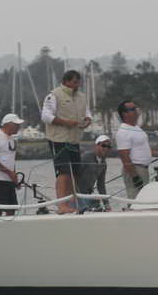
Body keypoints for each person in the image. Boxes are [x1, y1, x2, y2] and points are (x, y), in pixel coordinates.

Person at [41, 70, 93, 214]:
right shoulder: (54, 95)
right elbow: (45, 116)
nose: (78, 84)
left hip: (74, 139)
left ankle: (70, 203)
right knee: (63, 172)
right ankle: (61, 205)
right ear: (66, 81)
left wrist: (88, 119)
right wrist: (65, 122)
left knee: (74, 173)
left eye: (79, 81)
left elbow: (87, 112)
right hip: (58, 139)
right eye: (75, 82)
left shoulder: (82, 96)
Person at [115, 100, 153, 202]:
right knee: (135, 200)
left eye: (136, 108)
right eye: (133, 109)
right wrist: (134, 176)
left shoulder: (136, 128)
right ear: (124, 113)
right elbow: (124, 157)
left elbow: (143, 149)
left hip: (143, 169)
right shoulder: (123, 131)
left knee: (144, 200)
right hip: (134, 170)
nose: (136, 111)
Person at [74, 134, 111, 211]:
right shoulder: (86, 157)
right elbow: (74, 175)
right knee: (91, 204)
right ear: (96, 146)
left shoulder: (103, 163)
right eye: (103, 146)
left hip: (87, 194)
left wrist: (106, 204)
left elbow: (101, 185)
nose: (106, 148)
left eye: (108, 147)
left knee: (97, 203)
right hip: (76, 195)